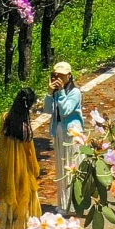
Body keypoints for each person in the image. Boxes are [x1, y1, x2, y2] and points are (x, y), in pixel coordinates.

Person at [0, 86, 41, 229]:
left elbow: (2, 144)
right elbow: (30, 153)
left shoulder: (5, 119)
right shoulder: (25, 127)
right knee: (24, 199)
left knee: (8, 201)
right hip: (22, 171)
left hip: (8, 168)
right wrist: (35, 169)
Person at [44, 61, 83, 215]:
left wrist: (60, 92)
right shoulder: (55, 92)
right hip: (59, 131)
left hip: (72, 132)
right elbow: (48, 110)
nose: (58, 78)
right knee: (61, 168)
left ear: (69, 75)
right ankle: (64, 203)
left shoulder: (75, 92)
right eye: (55, 75)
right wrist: (49, 93)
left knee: (71, 167)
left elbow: (66, 110)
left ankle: (73, 205)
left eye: (61, 75)